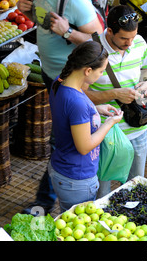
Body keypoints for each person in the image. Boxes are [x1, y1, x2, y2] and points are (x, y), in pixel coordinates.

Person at [18, 0, 104, 216]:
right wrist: (30, 13)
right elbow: (46, 25)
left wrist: (67, 31)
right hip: (51, 75)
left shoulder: (74, 0)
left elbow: (98, 42)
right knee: (63, 136)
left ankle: (47, 199)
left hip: (71, 82)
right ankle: (53, 194)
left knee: (61, 138)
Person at [84, 5, 147, 198]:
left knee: (136, 186)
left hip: (137, 128)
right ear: (109, 31)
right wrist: (114, 94)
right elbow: (79, 93)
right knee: (102, 192)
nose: (130, 43)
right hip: (105, 133)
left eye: (133, 37)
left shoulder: (139, 42)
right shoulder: (93, 51)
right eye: (124, 38)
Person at [48, 41, 123, 212]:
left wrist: (95, 110)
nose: (102, 75)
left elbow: (68, 114)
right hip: (76, 178)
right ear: (88, 71)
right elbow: (84, 146)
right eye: (101, 71)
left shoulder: (59, 82)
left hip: (61, 167)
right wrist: (109, 123)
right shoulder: (77, 103)